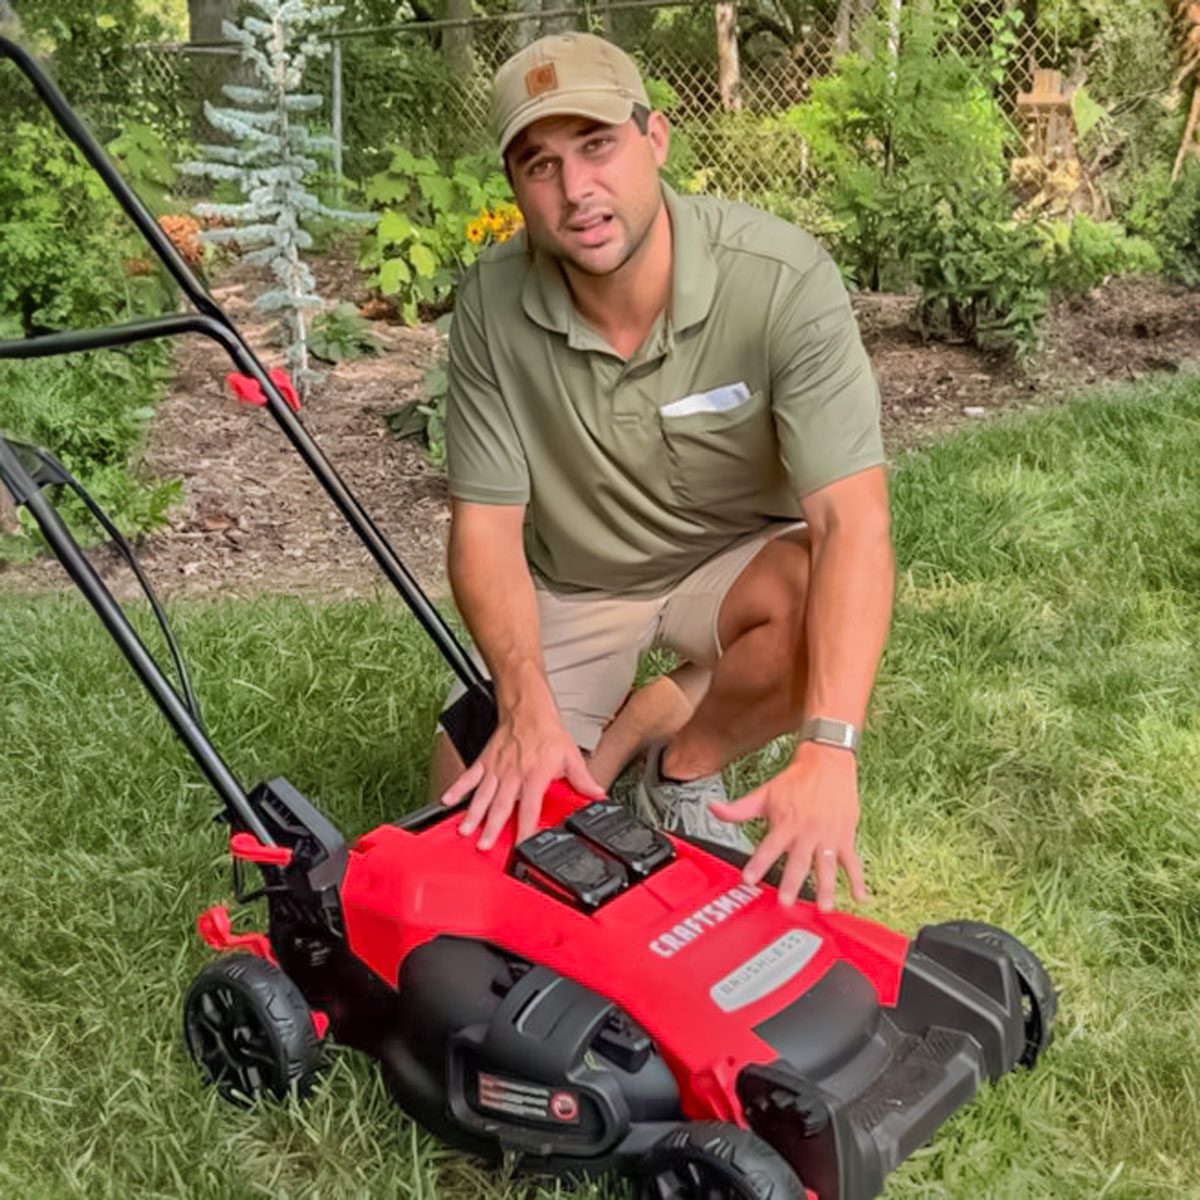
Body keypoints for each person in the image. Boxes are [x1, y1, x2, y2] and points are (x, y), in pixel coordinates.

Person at [431, 32, 894, 911]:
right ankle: (618, 719)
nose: (577, 191)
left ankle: (681, 768)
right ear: (515, 188)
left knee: (813, 596)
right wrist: (525, 706)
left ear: (657, 139)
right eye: (541, 165)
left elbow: (852, 525)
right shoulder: (492, 303)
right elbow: (484, 530)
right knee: (486, 851)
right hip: (577, 586)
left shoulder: (782, 281)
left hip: (733, 570)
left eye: (598, 146)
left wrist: (830, 750)